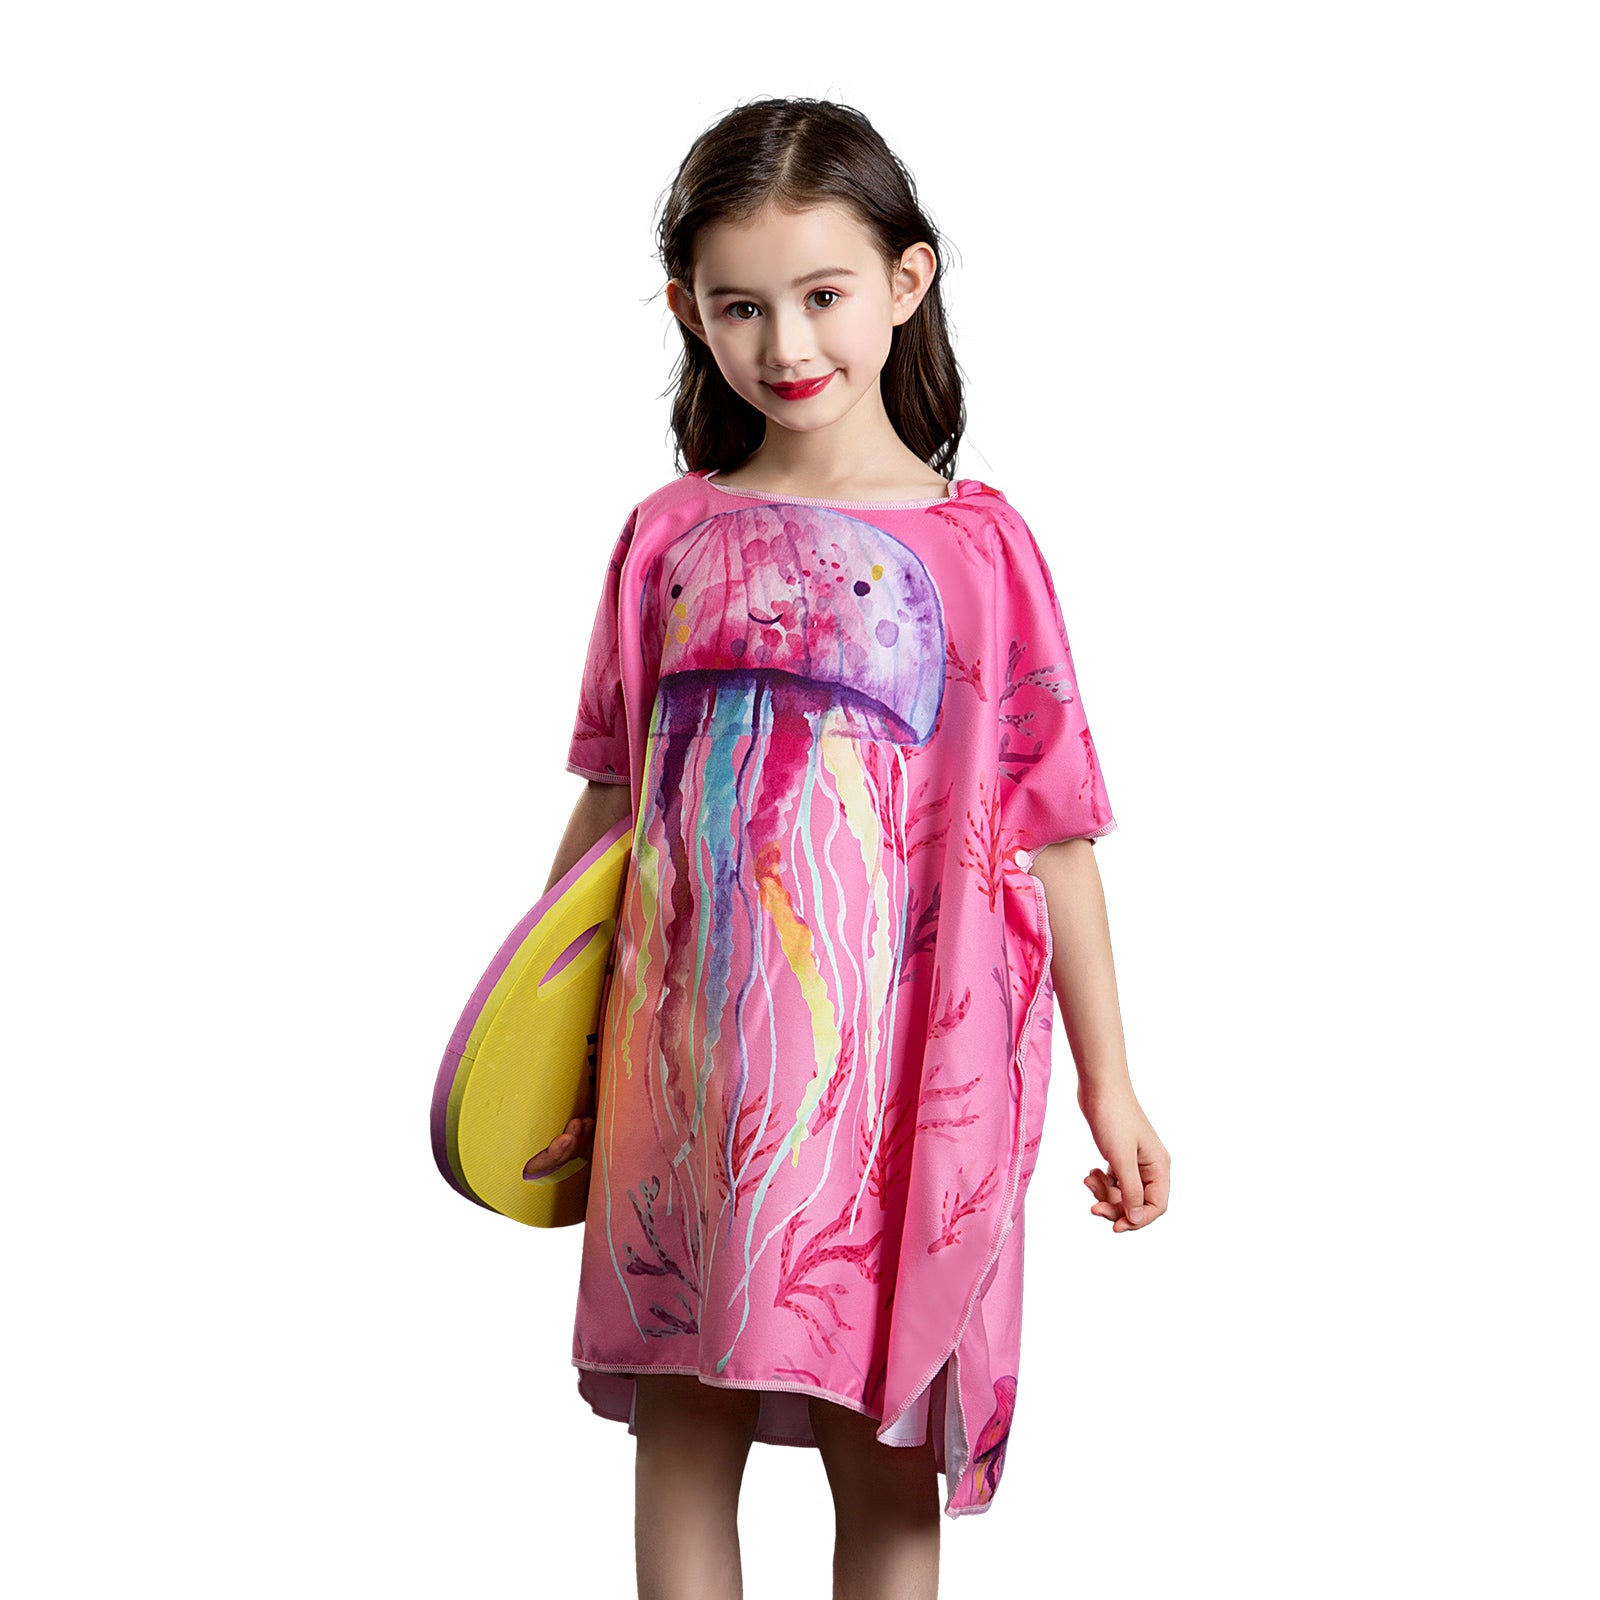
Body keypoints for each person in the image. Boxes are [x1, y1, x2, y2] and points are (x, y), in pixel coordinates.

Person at [523, 95, 1171, 1600]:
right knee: (684, 1424)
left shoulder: (980, 550)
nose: (787, 342)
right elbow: (613, 802)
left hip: (901, 1079)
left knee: (883, 1448)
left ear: (905, 280)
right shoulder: (668, 537)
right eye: (741, 308)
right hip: (685, 1074)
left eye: (823, 294)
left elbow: (1055, 834)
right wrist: (537, 1039)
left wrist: (1113, 1083)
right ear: (688, 313)